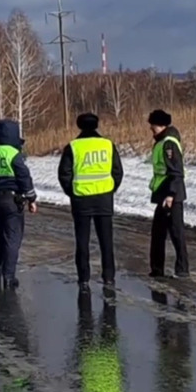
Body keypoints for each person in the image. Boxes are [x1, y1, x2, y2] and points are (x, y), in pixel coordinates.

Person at [57, 113, 123, 293]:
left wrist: (72, 192)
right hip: (104, 198)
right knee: (106, 241)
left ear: (79, 126)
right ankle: (109, 276)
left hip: (81, 200)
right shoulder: (108, 145)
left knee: (82, 241)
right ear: (96, 125)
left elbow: (64, 173)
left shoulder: (73, 146)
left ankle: (84, 277)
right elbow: (117, 171)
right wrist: (110, 189)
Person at [0, 119, 38, 290]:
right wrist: (31, 198)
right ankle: (9, 276)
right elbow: (23, 177)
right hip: (12, 200)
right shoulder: (13, 154)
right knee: (12, 238)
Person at [147, 109, 189, 278]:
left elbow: (177, 171)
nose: (151, 128)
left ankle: (182, 269)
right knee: (158, 233)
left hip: (171, 194)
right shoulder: (161, 141)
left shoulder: (168, 143)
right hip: (163, 193)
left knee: (176, 233)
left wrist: (171, 195)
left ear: (162, 125)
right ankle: (157, 270)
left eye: (153, 125)